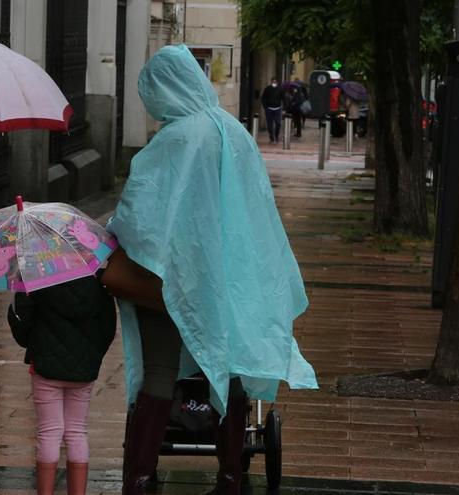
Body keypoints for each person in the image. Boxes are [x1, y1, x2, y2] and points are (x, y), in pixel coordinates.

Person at [100, 45, 318, 495]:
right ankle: (230, 476)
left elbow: (141, 213)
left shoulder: (176, 139)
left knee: (161, 370)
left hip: (170, 282)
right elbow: (256, 208)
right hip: (228, 281)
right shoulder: (234, 132)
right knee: (230, 366)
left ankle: (139, 478)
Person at [7, 276, 117, 495]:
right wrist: (91, 356)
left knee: (49, 432)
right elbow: (108, 328)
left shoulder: (35, 279)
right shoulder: (97, 283)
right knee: (77, 431)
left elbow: (22, 327)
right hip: (84, 369)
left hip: (45, 368)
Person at [260, 77, 284, 143]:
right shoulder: (267, 89)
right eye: (273, 82)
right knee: (270, 124)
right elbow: (263, 98)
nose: (274, 83)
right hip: (269, 109)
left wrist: (284, 109)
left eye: (275, 82)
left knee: (278, 123)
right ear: (271, 82)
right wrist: (265, 107)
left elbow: (283, 98)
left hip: (277, 109)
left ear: (277, 83)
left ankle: (276, 135)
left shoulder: (280, 89)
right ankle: (271, 137)